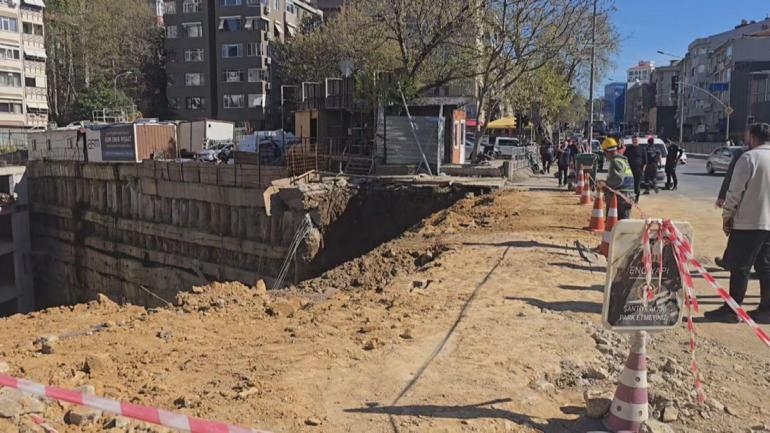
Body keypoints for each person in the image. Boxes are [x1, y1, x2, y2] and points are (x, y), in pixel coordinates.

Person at [704, 123, 770, 324]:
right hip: (768, 224)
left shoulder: (749, 158)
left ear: (752, 137)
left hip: (748, 223)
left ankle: (732, 310)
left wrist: (727, 216)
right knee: (765, 267)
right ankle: (766, 310)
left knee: (740, 267)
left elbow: (734, 193)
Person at [597, 137, 635, 220]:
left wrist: (604, 184)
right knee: (623, 225)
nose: (605, 156)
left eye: (604, 153)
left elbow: (616, 181)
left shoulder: (615, 161)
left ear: (607, 151)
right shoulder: (622, 160)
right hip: (627, 196)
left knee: (614, 225)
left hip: (620, 198)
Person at [623, 134, 646, 202]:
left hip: (638, 170)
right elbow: (624, 158)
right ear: (632, 141)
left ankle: (636, 198)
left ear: (638, 140)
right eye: (633, 140)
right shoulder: (628, 148)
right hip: (628, 170)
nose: (635, 141)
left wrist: (643, 169)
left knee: (637, 184)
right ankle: (629, 197)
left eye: (636, 140)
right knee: (629, 184)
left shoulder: (642, 149)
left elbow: (645, 160)